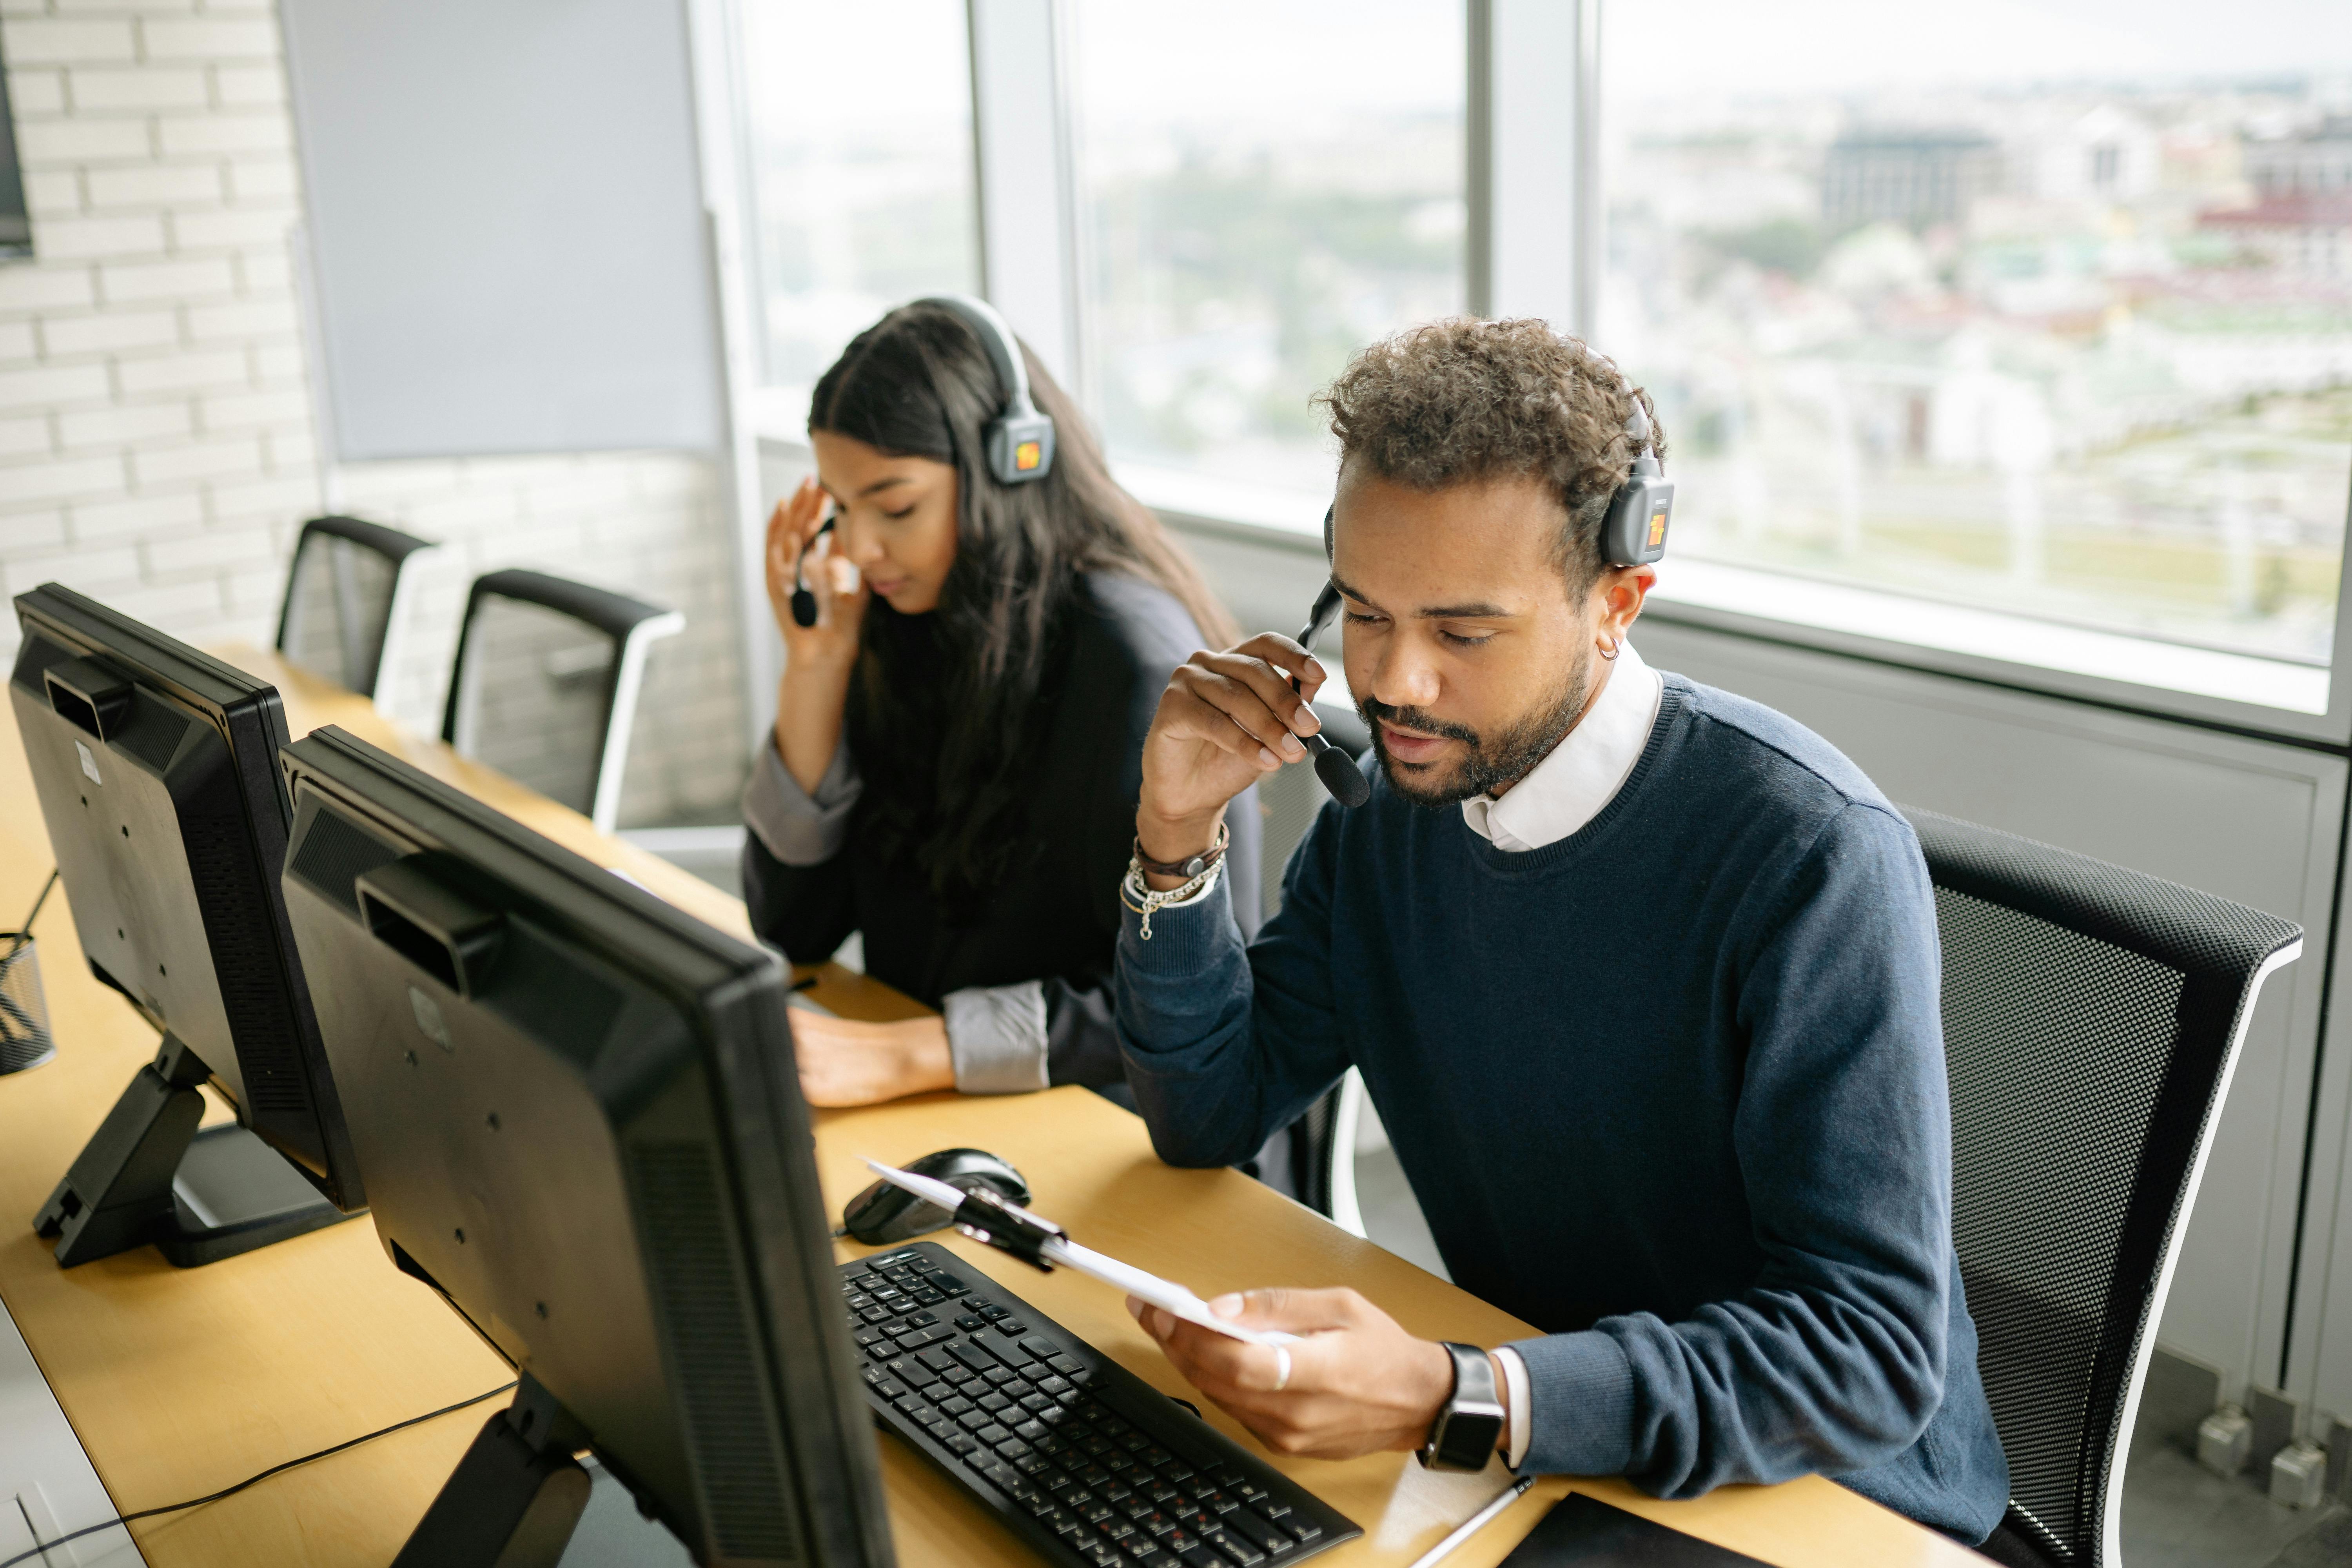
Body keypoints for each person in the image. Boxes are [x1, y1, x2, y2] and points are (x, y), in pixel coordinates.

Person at [1109, 317, 2008, 1543]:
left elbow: (1868, 1352)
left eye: (1462, 633)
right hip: (1541, 1442)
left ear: (1617, 604)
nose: (1394, 684)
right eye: (1364, 612)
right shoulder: (1392, 818)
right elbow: (1207, 1112)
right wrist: (1175, 835)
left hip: (1817, 1502)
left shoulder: (1809, 855)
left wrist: (1464, 1392)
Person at [742, 298, 1259, 1109]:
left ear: (1012, 463)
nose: (855, 547)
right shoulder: (907, 618)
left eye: (896, 505)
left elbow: (1197, 997)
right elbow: (793, 927)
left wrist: (919, 1050)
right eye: (840, 508)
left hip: (1108, 1127)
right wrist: (816, 666)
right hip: (943, 1103)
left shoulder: (1137, 666)